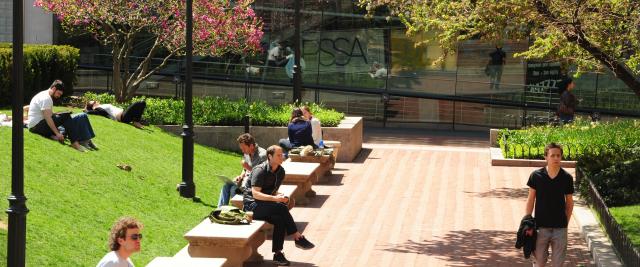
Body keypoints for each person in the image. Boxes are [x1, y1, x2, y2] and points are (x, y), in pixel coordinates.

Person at [243, 145, 315, 266]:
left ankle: (278, 254)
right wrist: (275, 199)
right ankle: (298, 237)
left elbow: (271, 190)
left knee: (280, 220)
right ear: (269, 156)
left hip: (266, 204)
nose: (282, 157)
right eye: (278, 155)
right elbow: (255, 194)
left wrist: (280, 195)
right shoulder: (259, 170)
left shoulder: (280, 171)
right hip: (252, 206)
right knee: (281, 207)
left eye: (282, 155)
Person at [525, 143, 574, 267]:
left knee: (558, 264)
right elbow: (531, 199)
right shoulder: (536, 176)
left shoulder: (566, 177)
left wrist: (565, 223)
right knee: (539, 262)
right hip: (541, 227)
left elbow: (569, 202)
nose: (556, 158)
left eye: (558, 155)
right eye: (553, 155)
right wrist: (527, 221)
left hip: (560, 229)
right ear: (546, 157)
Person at [27, 80, 97, 152]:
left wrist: (59, 113)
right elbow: (48, 118)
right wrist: (57, 133)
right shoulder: (46, 98)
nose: (58, 96)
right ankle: (75, 143)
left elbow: (49, 114)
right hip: (36, 127)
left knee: (67, 117)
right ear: (54, 88)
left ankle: (85, 140)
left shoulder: (46, 96)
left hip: (37, 126)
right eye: (58, 93)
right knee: (65, 117)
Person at [217, 133, 267, 207]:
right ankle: (219, 210)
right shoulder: (247, 152)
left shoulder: (262, 155)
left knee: (233, 189)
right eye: (241, 149)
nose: (243, 151)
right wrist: (240, 176)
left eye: (244, 148)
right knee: (226, 186)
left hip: (254, 185)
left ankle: (237, 211)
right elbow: (245, 169)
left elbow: (260, 175)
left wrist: (248, 168)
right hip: (245, 180)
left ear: (251, 146)